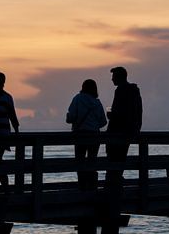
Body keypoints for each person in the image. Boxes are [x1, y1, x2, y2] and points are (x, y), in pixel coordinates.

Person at [102, 66, 142, 234]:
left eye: (113, 77)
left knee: (113, 158)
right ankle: (116, 184)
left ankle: (113, 187)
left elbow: (118, 112)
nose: (111, 80)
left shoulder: (121, 91)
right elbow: (138, 111)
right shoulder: (134, 90)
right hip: (129, 132)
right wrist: (136, 128)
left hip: (118, 132)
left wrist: (112, 117)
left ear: (119, 77)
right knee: (120, 159)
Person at [66, 79, 107, 234]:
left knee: (80, 162)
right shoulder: (97, 103)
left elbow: (71, 117)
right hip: (94, 136)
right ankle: (92, 188)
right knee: (92, 161)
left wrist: (71, 119)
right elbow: (103, 122)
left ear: (82, 87)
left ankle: (82, 188)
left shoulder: (77, 99)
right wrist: (93, 124)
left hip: (80, 135)